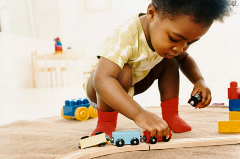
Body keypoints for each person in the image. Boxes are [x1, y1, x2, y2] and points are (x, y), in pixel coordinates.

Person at [83, 0, 233, 138]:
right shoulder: (125, 36)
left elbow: (184, 58)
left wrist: (199, 81)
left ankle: (171, 115)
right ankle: (106, 123)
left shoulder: (171, 44)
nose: (180, 48)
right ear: (151, 13)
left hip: (134, 83)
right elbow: (102, 79)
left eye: (189, 43)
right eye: (174, 39)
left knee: (170, 60)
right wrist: (139, 114)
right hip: (100, 89)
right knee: (123, 71)